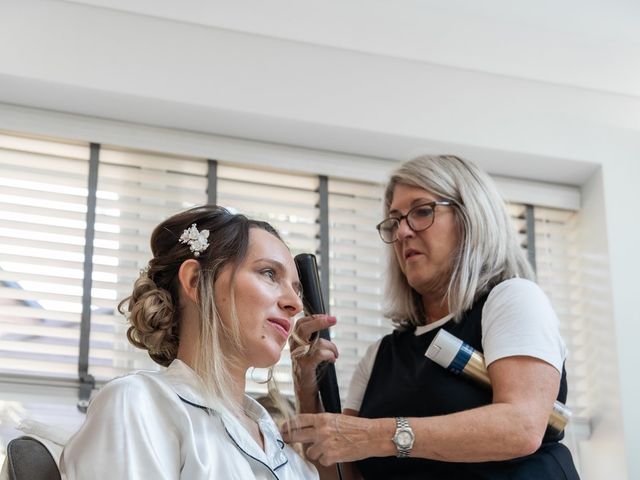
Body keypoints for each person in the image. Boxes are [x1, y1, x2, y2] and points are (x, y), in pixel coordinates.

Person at [283, 155, 580, 479]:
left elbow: (521, 427)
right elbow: (344, 474)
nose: (403, 232)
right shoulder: (380, 357)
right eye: (394, 221)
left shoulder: (513, 300)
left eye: (422, 211)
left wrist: (375, 436)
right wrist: (306, 387)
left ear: (471, 217)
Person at [60, 205, 318, 480]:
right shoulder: (139, 404)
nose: (296, 304)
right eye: (269, 273)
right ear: (196, 280)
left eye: (296, 288)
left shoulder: (282, 449)